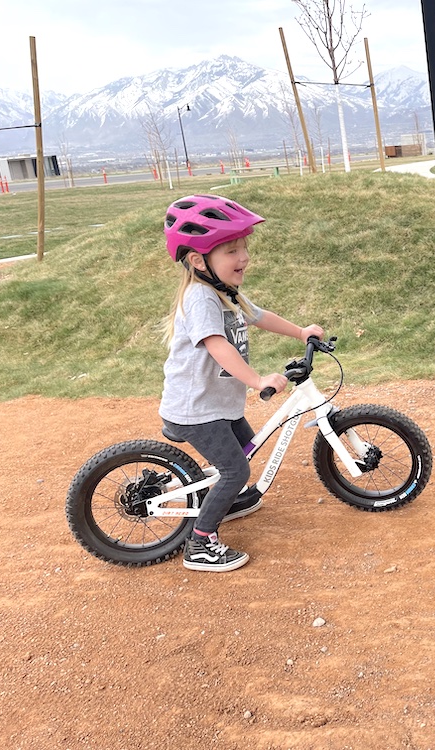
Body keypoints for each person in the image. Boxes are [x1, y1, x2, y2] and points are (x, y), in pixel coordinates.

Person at [160, 194, 324, 572]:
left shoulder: (225, 292)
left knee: (247, 447)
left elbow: (259, 315)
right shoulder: (201, 297)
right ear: (199, 260)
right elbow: (217, 345)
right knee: (237, 469)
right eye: (232, 250)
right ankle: (200, 544)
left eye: (244, 248)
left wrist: (301, 331)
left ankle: (227, 499)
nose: (244, 257)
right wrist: (256, 380)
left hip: (217, 406)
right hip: (196, 409)